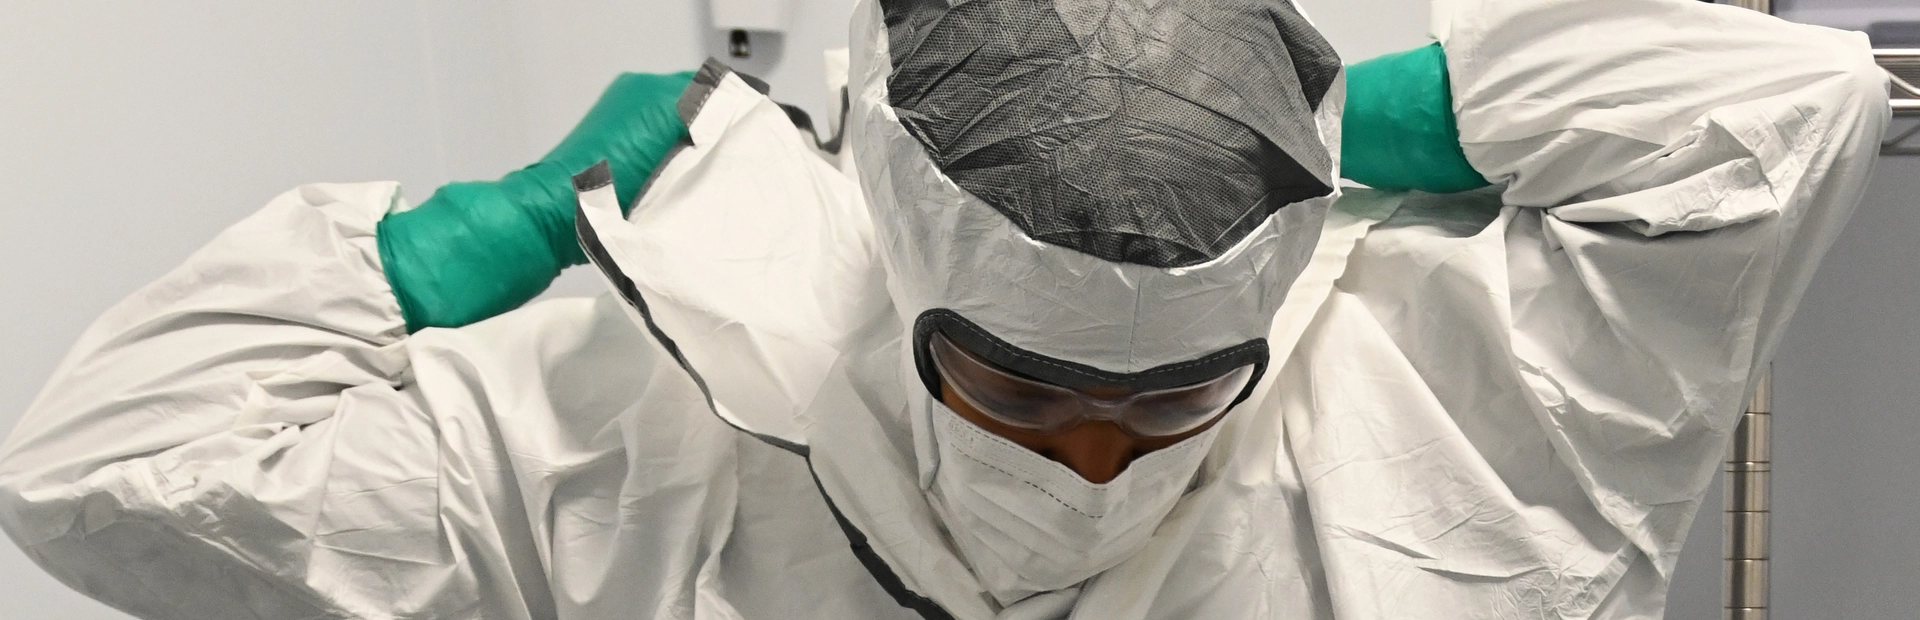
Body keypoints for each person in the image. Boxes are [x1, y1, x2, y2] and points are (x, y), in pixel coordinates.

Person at [0, 0, 1889, 618]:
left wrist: (1363, 113)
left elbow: (1787, 106)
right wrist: (433, 249)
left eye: (1167, 405)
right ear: (890, 264)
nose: (1088, 464)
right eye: (1016, 384)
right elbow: (101, 480)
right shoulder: (633, 434)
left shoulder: (1460, 391)